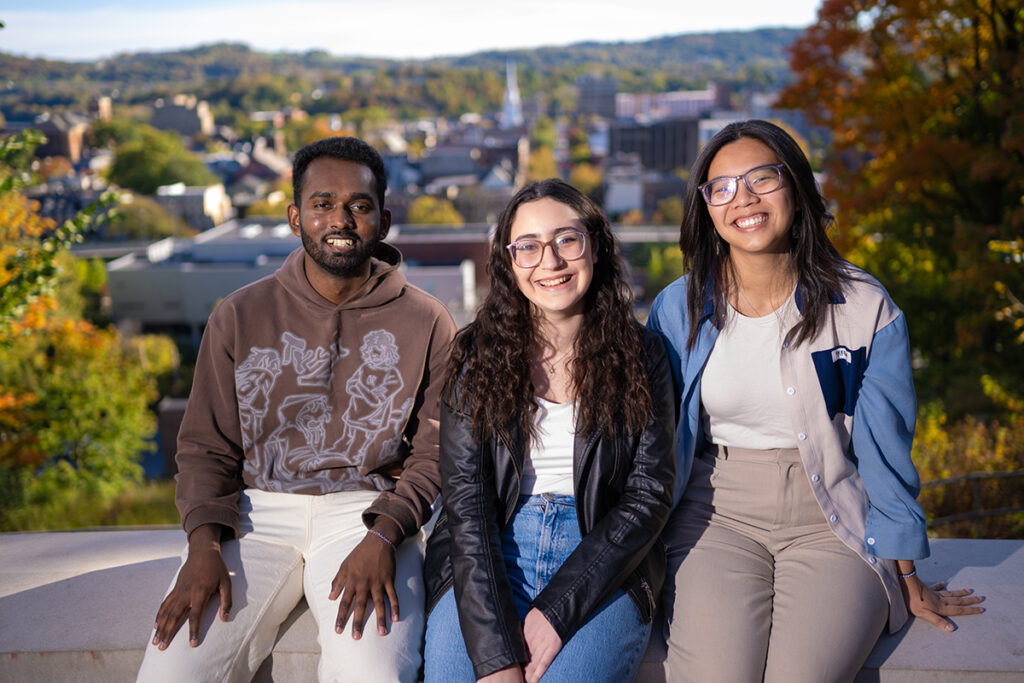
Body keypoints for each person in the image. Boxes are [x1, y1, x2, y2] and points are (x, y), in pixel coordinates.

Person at [647, 119, 985, 682]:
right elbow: (655, 437)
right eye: (722, 187)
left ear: (797, 188)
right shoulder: (677, 307)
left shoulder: (863, 307)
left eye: (762, 178)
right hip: (713, 515)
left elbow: (885, 449)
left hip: (830, 514)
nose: (744, 199)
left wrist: (905, 570)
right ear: (705, 207)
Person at [136, 136, 457, 683]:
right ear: (294, 216)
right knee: (174, 671)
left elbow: (436, 453)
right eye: (322, 203)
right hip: (254, 515)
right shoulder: (239, 313)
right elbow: (205, 446)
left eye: (359, 205)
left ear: (383, 219)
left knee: (373, 674)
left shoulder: (427, 320)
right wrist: (203, 543)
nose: (341, 218)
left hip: (367, 515)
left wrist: (385, 536)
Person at [422, 179, 676, 683]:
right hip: (490, 553)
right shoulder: (475, 357)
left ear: (595, 246)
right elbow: (467, 508)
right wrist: (496, 658)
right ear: (509, 262)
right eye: (529, 247)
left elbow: (648, 496)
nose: (551, 262)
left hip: (605, 557)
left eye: (567, 239)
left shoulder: (644, 355)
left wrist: (556, 613)